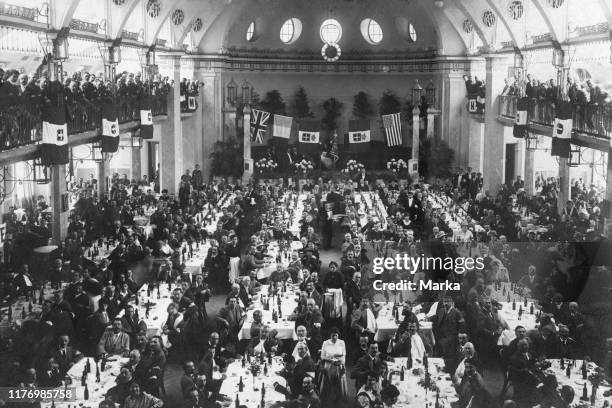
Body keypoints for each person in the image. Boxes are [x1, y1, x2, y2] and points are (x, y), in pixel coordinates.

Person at [319, 327, 347, 404]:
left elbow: (344, 355)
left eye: (336, 335)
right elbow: (322, 357)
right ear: (330, 336)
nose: (334, 337)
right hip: (328, 366)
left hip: (338, 366)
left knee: (338, 386)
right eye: (332, 336)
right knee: (328, 385)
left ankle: (338, 399)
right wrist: (330, 360)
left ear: (338, 336)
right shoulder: (325, 343)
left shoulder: (342, 342)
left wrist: (341, 362)